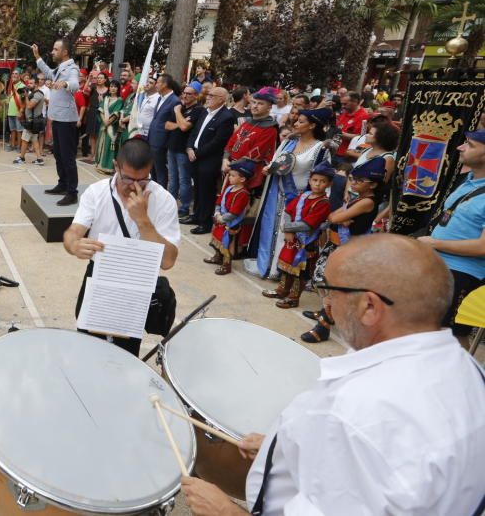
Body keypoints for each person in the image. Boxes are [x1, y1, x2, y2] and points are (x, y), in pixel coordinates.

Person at [181, 233, 485, 516]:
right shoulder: (467, 371)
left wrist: (227, 511)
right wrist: (287, 446)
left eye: (329, 290)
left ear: (369, 306)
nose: (325, 303)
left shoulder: (351, 412)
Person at [63, 139, 180, 356]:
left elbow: (168, 261)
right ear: (116, 166)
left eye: (142, 180)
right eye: (127, 178)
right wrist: (74, 245)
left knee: (126, 354)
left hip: (137, 283)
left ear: (150, 170)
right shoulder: (96, 193)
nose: (134, 186)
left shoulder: (163, 200)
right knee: (86, 348)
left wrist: (143, 220)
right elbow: (72, 233)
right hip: (99, 277)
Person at [301, 156, 385, 343]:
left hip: (348, 250)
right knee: (323, 281)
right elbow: (333, 216)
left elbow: (335, 218)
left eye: (359, 181)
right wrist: (338, 216)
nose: (353, 183)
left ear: (372, 185)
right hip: (336, 246)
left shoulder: (367, 202)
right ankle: (326, 314)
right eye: (353, 179)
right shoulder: (357, 199)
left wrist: (338, 216)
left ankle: (323, 326)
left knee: (333, 286)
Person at [244, 108, 331, 279]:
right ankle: (268, 265)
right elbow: (276, 162)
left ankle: (284, 272)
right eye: (296, 120)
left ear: (312, 125)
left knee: (289, 235)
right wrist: (269, 169)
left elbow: (323, 176)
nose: (296, 124)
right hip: (277, 194)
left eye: (301, 121)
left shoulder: (320, 149)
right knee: (272, 231)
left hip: (298, 198)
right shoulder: (289, 142)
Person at [418, 129, 485, 338]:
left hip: (463, 274)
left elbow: (482, 247)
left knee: (449, 337)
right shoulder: (470, 180)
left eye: (471, 145)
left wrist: (436, 244)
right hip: (439, 267)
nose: (461, 147)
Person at [261, 162, 333, 307]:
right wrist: (288, 231)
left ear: (328, 184)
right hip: (293, 239)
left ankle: (294, 298)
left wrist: (287, 228)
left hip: (307, 242)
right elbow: (288, 211)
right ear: (309, 180)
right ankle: (282, 290)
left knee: (300, 271)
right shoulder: (303, 196)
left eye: (322, 181)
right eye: (315, 180)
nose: (318, 184)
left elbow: (307, 225)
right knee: (287, 266)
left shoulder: (323, 203)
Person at [32, 40, 81, 206]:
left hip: (67, 120)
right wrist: (37, 56)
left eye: (55, 49)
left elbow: (75, 84)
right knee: (58, 154)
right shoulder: (60, 68)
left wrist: (65, 83)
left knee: (68, 157)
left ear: (65, 52)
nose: (52, 52)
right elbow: (48, 72)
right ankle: (62, 184)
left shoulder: (72, 68)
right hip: (57, 118)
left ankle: (72, 192)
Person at [186, 87, 236, 234]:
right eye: (208, 95)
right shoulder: (204, 111)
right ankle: (196, 216)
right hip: (194, 156)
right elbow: (194, 132)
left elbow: (218, 142)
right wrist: (189, 148)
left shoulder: (226, 117)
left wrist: (197, 153)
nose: (207, 97)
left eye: (212, 95)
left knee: (206, 192)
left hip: (209, 160)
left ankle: (205, 223)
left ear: (221, 99)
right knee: (197, 189)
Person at [221, 88, 280, 191]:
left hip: (247, 174)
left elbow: (254, 155)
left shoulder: (270, 129)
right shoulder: (247, 122)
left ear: (269, 107)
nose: (255, 106)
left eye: (260, 103)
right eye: (253, 102)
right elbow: (231, 142)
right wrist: (225, 159)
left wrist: (231, 165)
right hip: (231, 170)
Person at [205, 159, 254, 275]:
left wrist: (222, 218)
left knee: (228, 245)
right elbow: (219, 201)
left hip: (231, 224)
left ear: (242, 179)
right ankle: (217, 257)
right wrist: (217, 213)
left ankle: (226, 265)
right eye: (230, 175)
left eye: (233, 176)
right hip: (221, 220)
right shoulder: (228, 189)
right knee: (217, 240)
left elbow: (235, 213)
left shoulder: (243, 194)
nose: (230, 177)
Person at [165, 84, 204, 218]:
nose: (185, 96)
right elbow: (167, 125)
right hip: (172, 147)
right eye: (184, 93)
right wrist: (180, 122)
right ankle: (170, 204)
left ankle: (185, 207)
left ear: (196, 96)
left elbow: (184, 128)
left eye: (189, 93)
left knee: (184, 179)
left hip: (184, 150)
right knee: (172, 179)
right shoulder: (181, 108)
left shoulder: (198, 110)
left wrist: (177, 113)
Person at [144, 74, 181, 187]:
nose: (156, 85)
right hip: (152, 139)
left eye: (158, 82)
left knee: (160, 171)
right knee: (153, 169)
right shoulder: (160, 97)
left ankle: (161, 194)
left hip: (162, 142)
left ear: (165, 84)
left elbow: (176, 123)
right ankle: (153, 191)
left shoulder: (174, 100)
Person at [13, 74, 46, 165]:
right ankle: (39, 159)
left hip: (33, 121)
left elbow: (30, 106)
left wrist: (26, 96)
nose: (28, 85)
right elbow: (24, 105)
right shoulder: (32, 94)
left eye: (31, 83)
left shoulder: (38, 95)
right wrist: (22, 97)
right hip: (31, 121)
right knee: (34, 140)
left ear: (36, 84)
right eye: (28, 83)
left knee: (24, 139)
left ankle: (21, 158)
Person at [94, 80, 124, 174]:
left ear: (118, 88)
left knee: (109, 145)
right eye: (111, 86)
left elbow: (116, 113)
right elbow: (101, 110)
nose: (113, 88)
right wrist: (104, 121)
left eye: (115, 87)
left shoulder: (119, 100)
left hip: (112, 127)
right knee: (101, 143)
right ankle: (99, 164)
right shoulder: (106, 98)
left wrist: (108, 122)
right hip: (104, 125)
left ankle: (107, 167)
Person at [334, 90, 369, 164]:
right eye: (342, 104)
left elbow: (363, 138)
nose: (343, 106)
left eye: (345, 104)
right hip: (336, 151)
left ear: (355, 102)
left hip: (347, 156)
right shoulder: (345, 113)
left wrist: (341, 134)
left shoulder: (364, 117)